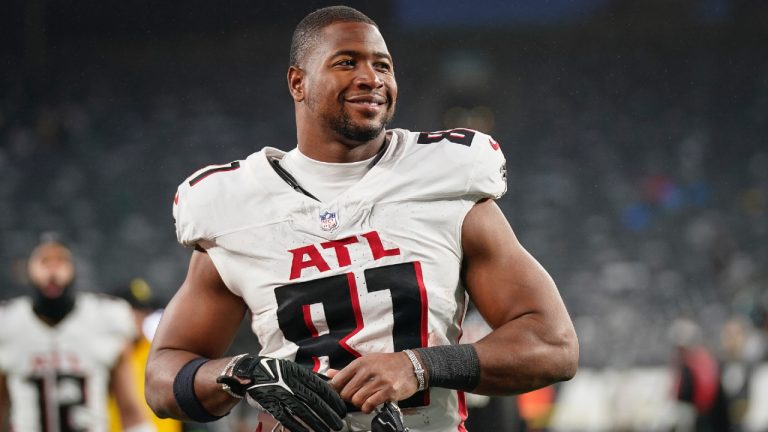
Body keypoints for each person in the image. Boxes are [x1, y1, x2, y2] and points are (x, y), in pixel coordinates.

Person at [145, 5, 579, 432]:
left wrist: (420, 366)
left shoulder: (445, 179)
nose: (371, 79)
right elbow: (163, 379)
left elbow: (552, 345)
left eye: (383, 66)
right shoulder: (235, 205)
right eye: (347, 62)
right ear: (298, 82)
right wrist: (243, 374)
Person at [0, 236, 155, 432]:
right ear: (28, 269)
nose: (53, 270)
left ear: (73, 268)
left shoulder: (104, 320)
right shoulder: (8, 325)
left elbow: (130, 411)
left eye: (60, 260)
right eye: (45, 260)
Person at [108, 278, 184, 432]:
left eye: (145, 313)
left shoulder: (159, 351)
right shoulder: (106, 354)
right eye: (135, 312)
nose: (141, 320)